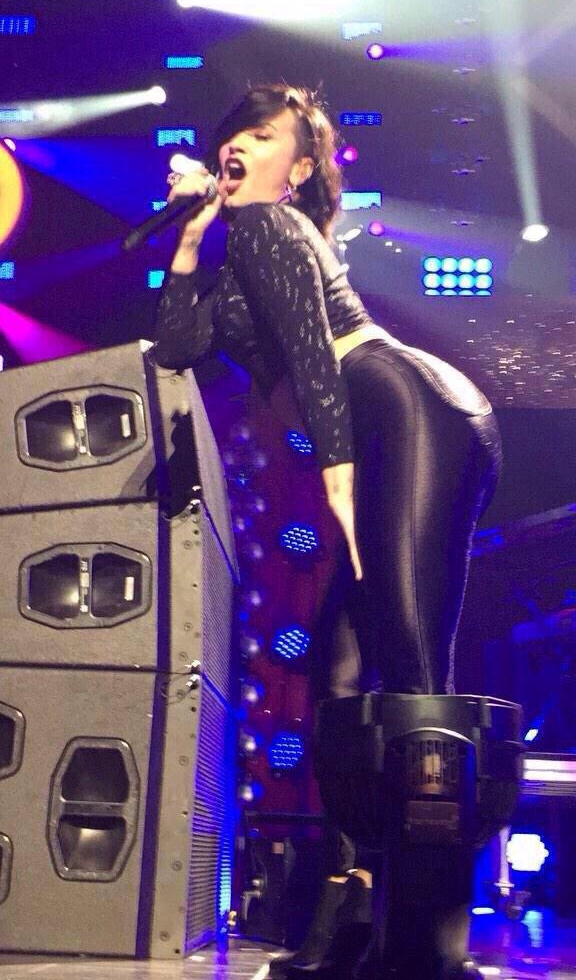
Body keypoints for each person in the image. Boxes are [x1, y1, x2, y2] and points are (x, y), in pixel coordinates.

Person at [153, 83, 502, 976]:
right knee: (340, 676)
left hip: (412, 410)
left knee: (412, 663)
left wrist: (338, 477)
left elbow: (314, 355)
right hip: (393, 424)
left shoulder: (272, 226)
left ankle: (426, 931)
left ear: (300, 167)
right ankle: (354, 894)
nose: (235, 146)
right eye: (231, 134)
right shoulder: (239, 248)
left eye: (261, 135)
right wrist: (188, 237)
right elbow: (178, 347)